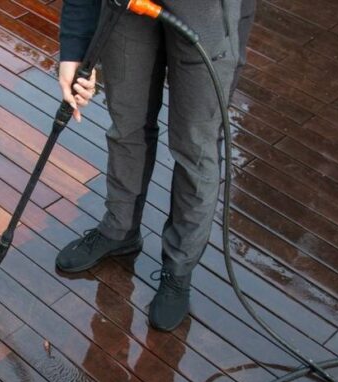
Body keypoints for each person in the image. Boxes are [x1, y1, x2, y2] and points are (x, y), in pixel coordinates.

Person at [55, 0, 257, 331]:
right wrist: (74, 46)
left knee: (196, 147)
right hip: (124, 10)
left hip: (206, 14)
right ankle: (119, 230)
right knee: (127, 126)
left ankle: (178, 268)